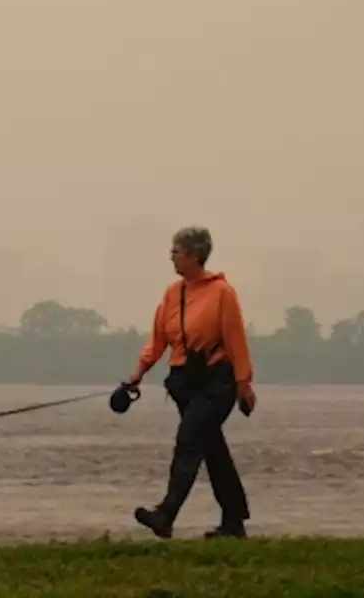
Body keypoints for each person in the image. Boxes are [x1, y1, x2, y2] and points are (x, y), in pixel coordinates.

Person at [125, 225, 256, 540]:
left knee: (189, 439)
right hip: (186, 382)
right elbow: (158, 339)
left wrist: (244, 383)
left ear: (195, 255)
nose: (171, 257)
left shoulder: (223, 293)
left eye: (176, 251)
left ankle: (166, 514)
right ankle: (234, 521)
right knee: (211, 448)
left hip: (218, 380)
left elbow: (235, 339)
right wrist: (137, 374)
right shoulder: (173, 293)